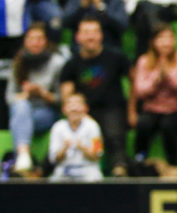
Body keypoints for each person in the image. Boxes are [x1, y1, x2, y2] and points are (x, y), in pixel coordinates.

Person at [59, 18, 131, 176]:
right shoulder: (71, 64)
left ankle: (120, 168)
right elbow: (66, 93)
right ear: (78, 37)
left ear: (101, 35)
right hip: (84, 111)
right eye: (86, 33)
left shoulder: (117, 57)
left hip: (112, 108)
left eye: (94, 32)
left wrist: (133, 110)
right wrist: (72, 111)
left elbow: (134, 81)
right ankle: (41, 171)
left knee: (114, 134)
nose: (90, 37)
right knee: (63, 130)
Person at [6, 22, 67, 174]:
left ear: (45, 41)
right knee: (21, 106)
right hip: (22, 111)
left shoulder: (57, 62)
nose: (35, 42)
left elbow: (62, 100)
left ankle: (21, 159)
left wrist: (42, 93)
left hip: (46, 113)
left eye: (39, 38)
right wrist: (25, 95)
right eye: (31, 38)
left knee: (19, 119)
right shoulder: (18, 62)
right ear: (25, 41)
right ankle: (24, 154)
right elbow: (9, 97)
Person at [129, 25, 177, 167]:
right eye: (161, 38)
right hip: (152, 108)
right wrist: (157, 79)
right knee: (143, 124)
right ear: (153, 42)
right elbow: (141, 91)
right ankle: (140, 161)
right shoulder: (144, 61)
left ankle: (173, 165)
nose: (166, 42)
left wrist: (168, 76)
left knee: (168, 126)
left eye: (169, 38)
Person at [48, 92, 104, 182]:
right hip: (65, 171)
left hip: (88, 171)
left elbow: (97, 154)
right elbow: (53, 159)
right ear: (64, 109)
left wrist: (82, 147)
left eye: (78, 104)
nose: (74, 108)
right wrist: (64, 148)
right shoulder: (57, 127)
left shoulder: (93, 126)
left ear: (85, 108)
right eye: (70, 104)